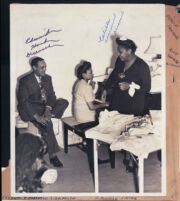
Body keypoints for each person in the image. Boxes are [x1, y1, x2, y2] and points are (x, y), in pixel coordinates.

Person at [17, 57, 69, 168]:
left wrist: (48, 110)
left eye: (45, 66)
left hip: (43, 107)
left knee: (63, 102)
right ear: (34, 67)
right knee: (47, 125)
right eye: (41, 67)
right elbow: (24, 102)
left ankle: (48, 117)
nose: (44, 69)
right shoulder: (24, 81)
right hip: (30, 108)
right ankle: (53, 156)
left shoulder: (48, 78)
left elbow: (52, 96)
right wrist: (37, 117)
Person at [102, 37, 151, 116]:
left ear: (129, 51)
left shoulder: (142, 66)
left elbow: (147, 88)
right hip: (117, 101)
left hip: (133, 104)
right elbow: (114, 74)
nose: (119, 54)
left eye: (121, 52)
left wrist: (129, 86)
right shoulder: (120, 60)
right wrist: (105, 89)